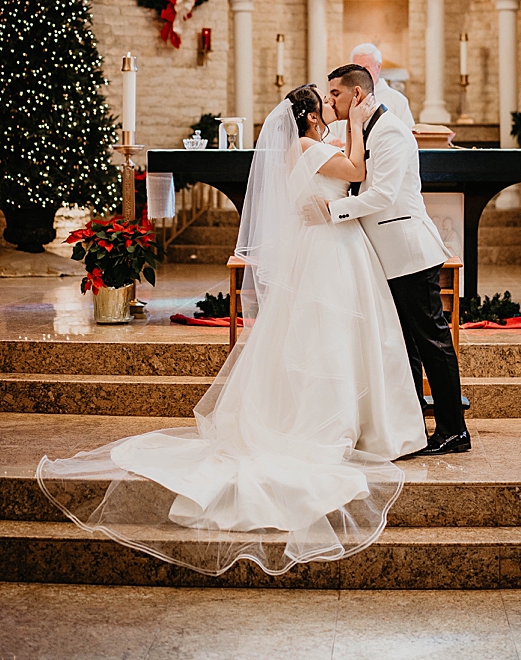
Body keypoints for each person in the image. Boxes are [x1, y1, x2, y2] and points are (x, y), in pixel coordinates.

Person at [36, 85, 427, 575]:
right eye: (325, 103)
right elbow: (357, 172)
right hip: (329, 252)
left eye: (336, 99)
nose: (332, 106)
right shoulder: (308, 146)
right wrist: (355, 124)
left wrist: (350, 126)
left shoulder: (304, 145)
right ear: (307, 117)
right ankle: (332, 422)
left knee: (338, 340)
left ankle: (357, 419)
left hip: (333, 248)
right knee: (326, 340)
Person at [310, 63, 471, 457]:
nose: (330, 100)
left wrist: (334, 210)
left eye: (335, 94)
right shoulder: (365, 129)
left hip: (410, 253)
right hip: (388, 257)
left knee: (433, 343)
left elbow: (382, 195)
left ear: (357, 95)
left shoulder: (393, 132)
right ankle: (413, 426)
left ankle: (454, 431)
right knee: (407, 346)